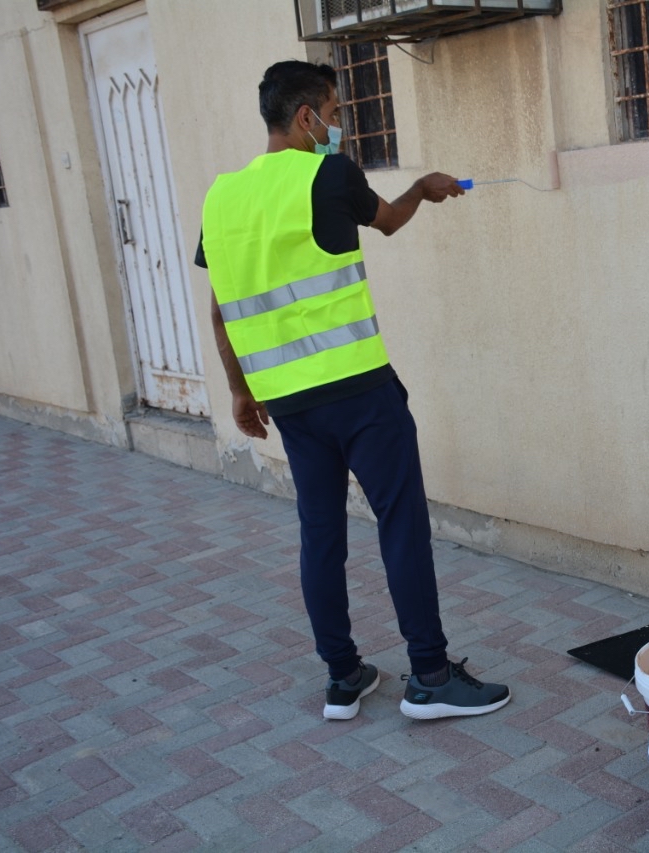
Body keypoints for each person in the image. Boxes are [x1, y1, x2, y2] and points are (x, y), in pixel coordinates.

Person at [195, 60, 509, 722]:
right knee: (400, 523)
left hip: (289, 402)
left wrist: (240, 392)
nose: (337, 127)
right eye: (334, 114)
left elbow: (221, 311)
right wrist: (423, 187)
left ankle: (343, 676)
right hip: (359, 392)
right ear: (305, 116)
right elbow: (389, 220)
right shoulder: (330, 173)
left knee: (320, 533)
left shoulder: (221, 198)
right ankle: (430, 677)